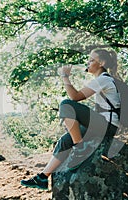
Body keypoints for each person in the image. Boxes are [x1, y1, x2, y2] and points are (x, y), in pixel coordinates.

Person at [20, 48, 121, 190]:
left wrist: (65, 77)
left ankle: (80, 148)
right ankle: (42, 178)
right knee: (65, 140)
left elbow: (75, 97)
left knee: (66, 105)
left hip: (108, 125)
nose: (88, 62)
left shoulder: (103, 79)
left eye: (92, 60)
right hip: (103, 124)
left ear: (102, 63)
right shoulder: (102, 80)